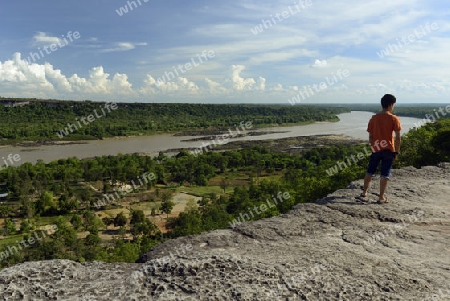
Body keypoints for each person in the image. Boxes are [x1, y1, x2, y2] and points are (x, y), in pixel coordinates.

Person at [361, 94, 402, 203]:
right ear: (390, 105)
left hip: (376, 149)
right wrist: (396, 152)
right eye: (393, 105)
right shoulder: (394, 118)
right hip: (389, 150)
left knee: (370, 171)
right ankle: (381, 197)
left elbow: (370, 136)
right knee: (385, 173)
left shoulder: (374, 118)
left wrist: (373, 147)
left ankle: (364, 192)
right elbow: (398, 138)